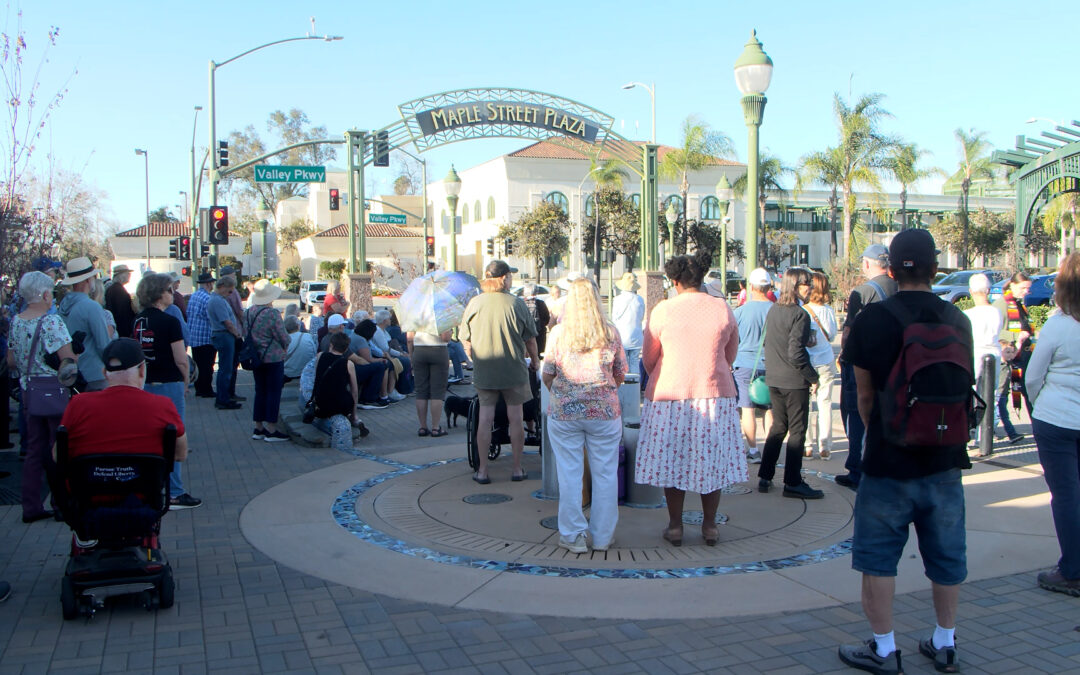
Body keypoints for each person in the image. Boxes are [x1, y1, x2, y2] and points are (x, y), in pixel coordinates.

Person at [838, 228, 971, 675]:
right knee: (946, 557)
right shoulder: (958, 320)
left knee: (878, 560)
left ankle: (884, 649)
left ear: (892, 271)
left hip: (888, 462)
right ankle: (945, 643)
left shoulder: (873, 320)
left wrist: (879, 432)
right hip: (945, 459)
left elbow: (864, 397)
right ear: (935, 269)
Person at [634, 253, 743, 546]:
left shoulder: (663, 310)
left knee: (672, 461)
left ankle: (675, 526)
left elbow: (649, 357)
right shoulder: (722, 308)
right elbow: (731, 353)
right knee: (712, 462)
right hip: (714, 394)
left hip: (670, 395)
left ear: (674, 281)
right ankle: (710, 526)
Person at [542, 277, 627, 553]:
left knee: (569, 474)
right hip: (604, 412)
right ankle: (603, 536)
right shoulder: (610, 333)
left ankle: (573, 535)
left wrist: (563, 395)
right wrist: (602, 393)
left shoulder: (558, 333)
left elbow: (548, 373)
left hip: (565, 413)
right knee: (606, 473)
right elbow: (620, 373)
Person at [58, 338, 191, 509]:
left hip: (89, 502)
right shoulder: (163, 405)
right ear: (142, 370)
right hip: (143, 501)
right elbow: (180, 454)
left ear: (104, 372)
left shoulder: (78, 404)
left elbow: (57, 455)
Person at [1026, 253, 1080, 597]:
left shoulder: (1058, 326)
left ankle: (1072, 570)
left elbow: (1034, 377)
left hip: (1056, 419)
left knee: (1066, 496)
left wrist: (1037, 405)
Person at [459, 260, 540, 483]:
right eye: (510, 276)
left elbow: (465, 339)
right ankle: (517, 468)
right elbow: (530, 340)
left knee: (485, 419)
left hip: (485, 371)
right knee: (516, 418)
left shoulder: (475, 303)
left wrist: (473, 357)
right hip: (513, 369)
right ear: (504, 278)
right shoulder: (516, 304)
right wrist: (535, 361)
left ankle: (483, 471)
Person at [6, 271, 76, 522]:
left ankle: (31, 506)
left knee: (34, 449)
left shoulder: (16, 321)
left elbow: (11, 361)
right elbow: (68, 361)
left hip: (29, 391)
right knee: (60, 447)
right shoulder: (52, 322)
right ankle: (61, 502)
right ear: (46, 295)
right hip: (53, 391)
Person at [133, 272, 202, 510]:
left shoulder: (138, 320)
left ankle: (152, 486)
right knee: (173, 435)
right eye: (169, 290)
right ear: (159, 294)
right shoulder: (170, 321)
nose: (173, 294)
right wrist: (186, 380)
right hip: (169, 383)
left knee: (150, 437)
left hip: (146, 383)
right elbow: (181, 358)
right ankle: (174, 492)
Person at [836, 244, 898, 490]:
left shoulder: (862, 292)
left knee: (857, 413)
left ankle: (857, 469)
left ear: (867, 264)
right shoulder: (898, 287)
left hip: (861, 362)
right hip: (892, 362)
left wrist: (844, 354)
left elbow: (848, 332)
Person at [757, 267, 822, 499]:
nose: (810, 288)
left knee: (778, 427)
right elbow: (796, 353)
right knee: (797, 431)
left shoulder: (774, 309)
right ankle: (793, 481)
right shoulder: (800, 314)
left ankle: (765, 475)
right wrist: (813, 377)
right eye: (807, 284)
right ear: (795, 286)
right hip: (794, 381)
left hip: (775, 378)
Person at [732, 268, 775, 463]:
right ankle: (770, 450)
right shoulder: (776, 310)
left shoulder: (740, 312)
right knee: (769, 408)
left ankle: (753, 450)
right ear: (769, 287)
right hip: (771, 364)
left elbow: (733, 339)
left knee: (747, 409)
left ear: (751, 287)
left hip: (744, 364)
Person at [57, 256, 113, 392]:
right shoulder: (91, 307)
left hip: (72, 374)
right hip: (94, 374)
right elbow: (103, 344)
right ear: (88, 280)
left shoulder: (63, 306)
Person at [245, 279, 291, 442]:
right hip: (273, 357)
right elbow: (283, 336)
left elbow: (245, 332)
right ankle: (271, 429)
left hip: (256, 357)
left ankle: (258, 427)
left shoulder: (249, 312)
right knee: (273, 392)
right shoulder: (272, 313)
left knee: (260, 391)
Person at [963, 273, 1002, 453]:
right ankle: (984, 436)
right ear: (988, 291)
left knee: (970, 395)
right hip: (993, 352)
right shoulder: (996, 312)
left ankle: (968, 432)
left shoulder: (968, 314)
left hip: (975, 352)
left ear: (971, 291)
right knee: (990, 395)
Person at [993, 271, 1033, 442]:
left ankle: (1035, 426)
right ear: (1012, 285)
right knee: (1001, 395)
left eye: (1028, 289)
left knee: (1029, 392)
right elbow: (995, 330)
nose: (1026, 292)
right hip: (1008, 356)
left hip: (1024, 356)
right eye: (1023, 288)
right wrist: (1015, 336)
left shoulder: (1019, 304)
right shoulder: (1001, 305)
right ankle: (998, 429)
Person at [304, 331, 360, 451]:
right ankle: (351, 417)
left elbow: (317, 377)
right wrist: (354, 414)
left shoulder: (320, 356)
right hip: (339, 406)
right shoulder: (348, 364)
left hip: (320, 404)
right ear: (346, 349)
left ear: (331, 345)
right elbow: (354, 391)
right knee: (348, 394)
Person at [320, 314, 390, 409]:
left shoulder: (324, 339)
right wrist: (369, 366)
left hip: (332, 371)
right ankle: (368, 399)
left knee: (375, 367)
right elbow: (357, 359)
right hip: (343, 371)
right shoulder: (338, 340)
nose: (344, 327)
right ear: (340, 326)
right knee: (380, 367)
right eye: (343, 325)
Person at [804, 271, 838, 460]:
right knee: (825, 403)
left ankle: (807, 445)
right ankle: (825, 445)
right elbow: (832, 335)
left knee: (807, 404)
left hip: (808, 362)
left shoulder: (804, 310)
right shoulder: (829, 311)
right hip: (826, 359)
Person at [407, 324, 451, 437]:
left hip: (419, 350)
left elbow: (409, 338)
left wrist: (411, 356)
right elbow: (445, 337)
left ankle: (423, 427)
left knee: (421, 391)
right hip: (438, 349)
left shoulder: (414, 313)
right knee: (437, 392)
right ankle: (435, 427)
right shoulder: (441, 313)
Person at [207, 276, 242, 410]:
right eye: (229, 291)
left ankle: (224, 397)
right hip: (224, 335)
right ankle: (223, 399)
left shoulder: (218, 299)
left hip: (223, 335)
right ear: (222, 287)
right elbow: (226, 322)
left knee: (226, 368)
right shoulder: (217, 301)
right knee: (225, 369)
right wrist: (236, 334)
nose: (230, 294)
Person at [186, 273, 217, 398]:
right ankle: (206, 390)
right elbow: (212, 318)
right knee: (207, 366)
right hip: (206, 337)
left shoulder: (194, 296)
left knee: (198, 364)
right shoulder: (207, 298)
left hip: (194, 336)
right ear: (209, 284)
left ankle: (199, 388)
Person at [219, 266, 246, 402]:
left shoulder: (218, 295)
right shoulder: (233, 292)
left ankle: (226, 393)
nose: (235, 277)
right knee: (232, 364)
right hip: (234, 331)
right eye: (233, 275)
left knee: (227, 364)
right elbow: (239, 311)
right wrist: (244, 327)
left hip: (227, 332)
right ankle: (229, 393)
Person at [612, 272, 645, 377]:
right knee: (634, 361)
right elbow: (641, 316)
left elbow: (614, 318)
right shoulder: (639, 300)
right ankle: (636, 382)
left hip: (622, 336)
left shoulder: (617, 300)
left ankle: (625, 383)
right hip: (637, 336)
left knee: (623, 362)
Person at [104, 264, 136, 338]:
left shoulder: (113, 289)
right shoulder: (119, 291)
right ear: (122, 275)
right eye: (127, 273)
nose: (129, 275)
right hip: (121, 330)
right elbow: (122, 314)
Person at [520, 283, 551, 356]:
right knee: (537, 354)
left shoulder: (520, 303)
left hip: (523, 333)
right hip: (539, 333)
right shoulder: (540, 303)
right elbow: (546, 318)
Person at [283, 315, 316, 382]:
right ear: (298, 326)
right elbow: (314, 353)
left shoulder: (283, 341)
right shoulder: (308, 337)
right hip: (306, 372)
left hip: (287, 374)